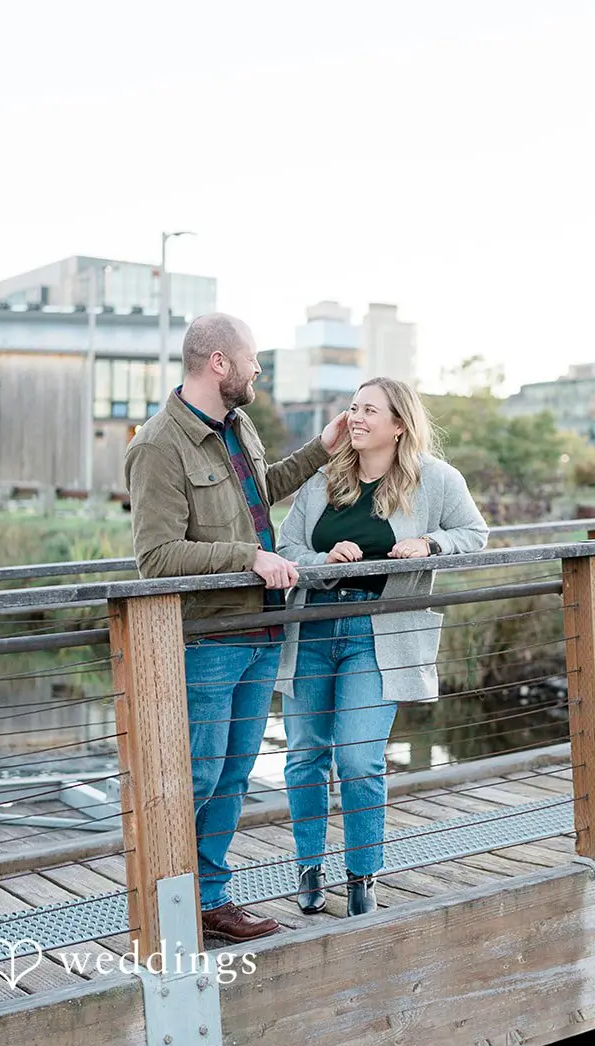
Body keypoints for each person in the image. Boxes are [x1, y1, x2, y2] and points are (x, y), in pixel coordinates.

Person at [124, 312, 347, 944]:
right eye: (252, 359)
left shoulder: (238, 425)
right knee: (194, 777)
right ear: (218, 362)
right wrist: (249, 557)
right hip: (207, 641)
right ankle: (165, 905)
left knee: (231, 777)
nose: (258, 370)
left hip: (260, 632)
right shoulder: (157, 446)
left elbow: (259, 495)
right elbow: (156, 558)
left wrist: (321, 449)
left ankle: (209, 902)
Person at [274, 377, 488, 917]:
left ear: (399, 424)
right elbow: (287, 546)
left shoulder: (435, 480)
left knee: (359, 758)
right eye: (353, 408)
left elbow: (474, 534)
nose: (357, 418)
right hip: (313, 626)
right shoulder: (323, 479)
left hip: (378, 634)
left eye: (370, 410)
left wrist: (430, 542)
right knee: (304, 757)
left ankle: (361, 876)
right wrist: (322, 561)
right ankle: (308, 869)